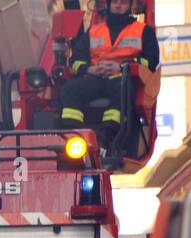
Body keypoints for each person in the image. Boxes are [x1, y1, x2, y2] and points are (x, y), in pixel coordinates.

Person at [58, 0, 159, 151]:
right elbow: (75, 61)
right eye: (115, 2)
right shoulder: (93, 31)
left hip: (123, 78)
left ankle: (107, 138)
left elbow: (151, 60)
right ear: (108, 5)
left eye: (123, 3)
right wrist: (89, 69)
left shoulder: (144, 31)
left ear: (131, 6)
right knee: (70, 89)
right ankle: (72, 134)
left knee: (123, 91)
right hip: (95, 78)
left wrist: (122, 66)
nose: (118, 6)